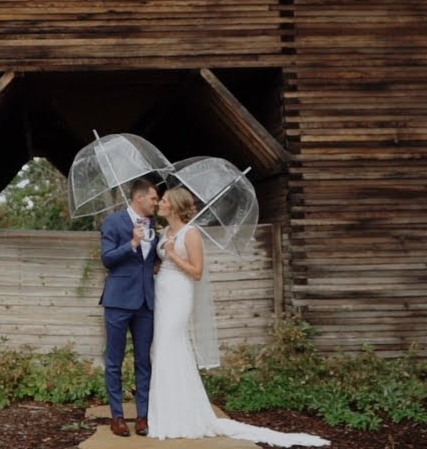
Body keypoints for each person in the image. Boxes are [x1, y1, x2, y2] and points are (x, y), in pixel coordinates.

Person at [149, 187, 329, 447]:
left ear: (175, 206)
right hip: (162, 291)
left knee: (172, 346)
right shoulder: (164, 232)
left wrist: (174, 255)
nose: (159, 204)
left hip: (179, 294)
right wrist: (159, 264)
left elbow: (197, 272)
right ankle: (165, 410)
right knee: (160, 348)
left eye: (164, 201)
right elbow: (162, 261)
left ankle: (182, 415)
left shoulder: (191, 233)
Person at [99, 177, 160, 437]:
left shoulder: (154, 225)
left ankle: (143, 416)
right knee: (114, 361)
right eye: (154, 199)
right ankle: (118, 417)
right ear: (139, 198)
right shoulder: (112, 222)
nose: (156, 203)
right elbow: (107, 259)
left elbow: (151, 261)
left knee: (144, 361)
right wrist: (132, 244)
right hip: (118, 301)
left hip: (146, 301)